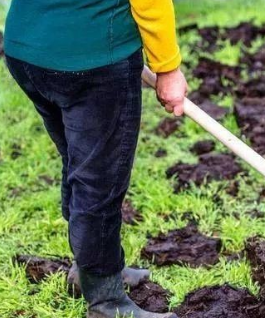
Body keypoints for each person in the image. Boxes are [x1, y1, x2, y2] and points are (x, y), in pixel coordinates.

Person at [3, 0, 187, 317]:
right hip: (92, 60)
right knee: (99, 178)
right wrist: (167, 68)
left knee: (80, 159)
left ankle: (89, 267)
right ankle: (106, 300)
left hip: (28, 50)